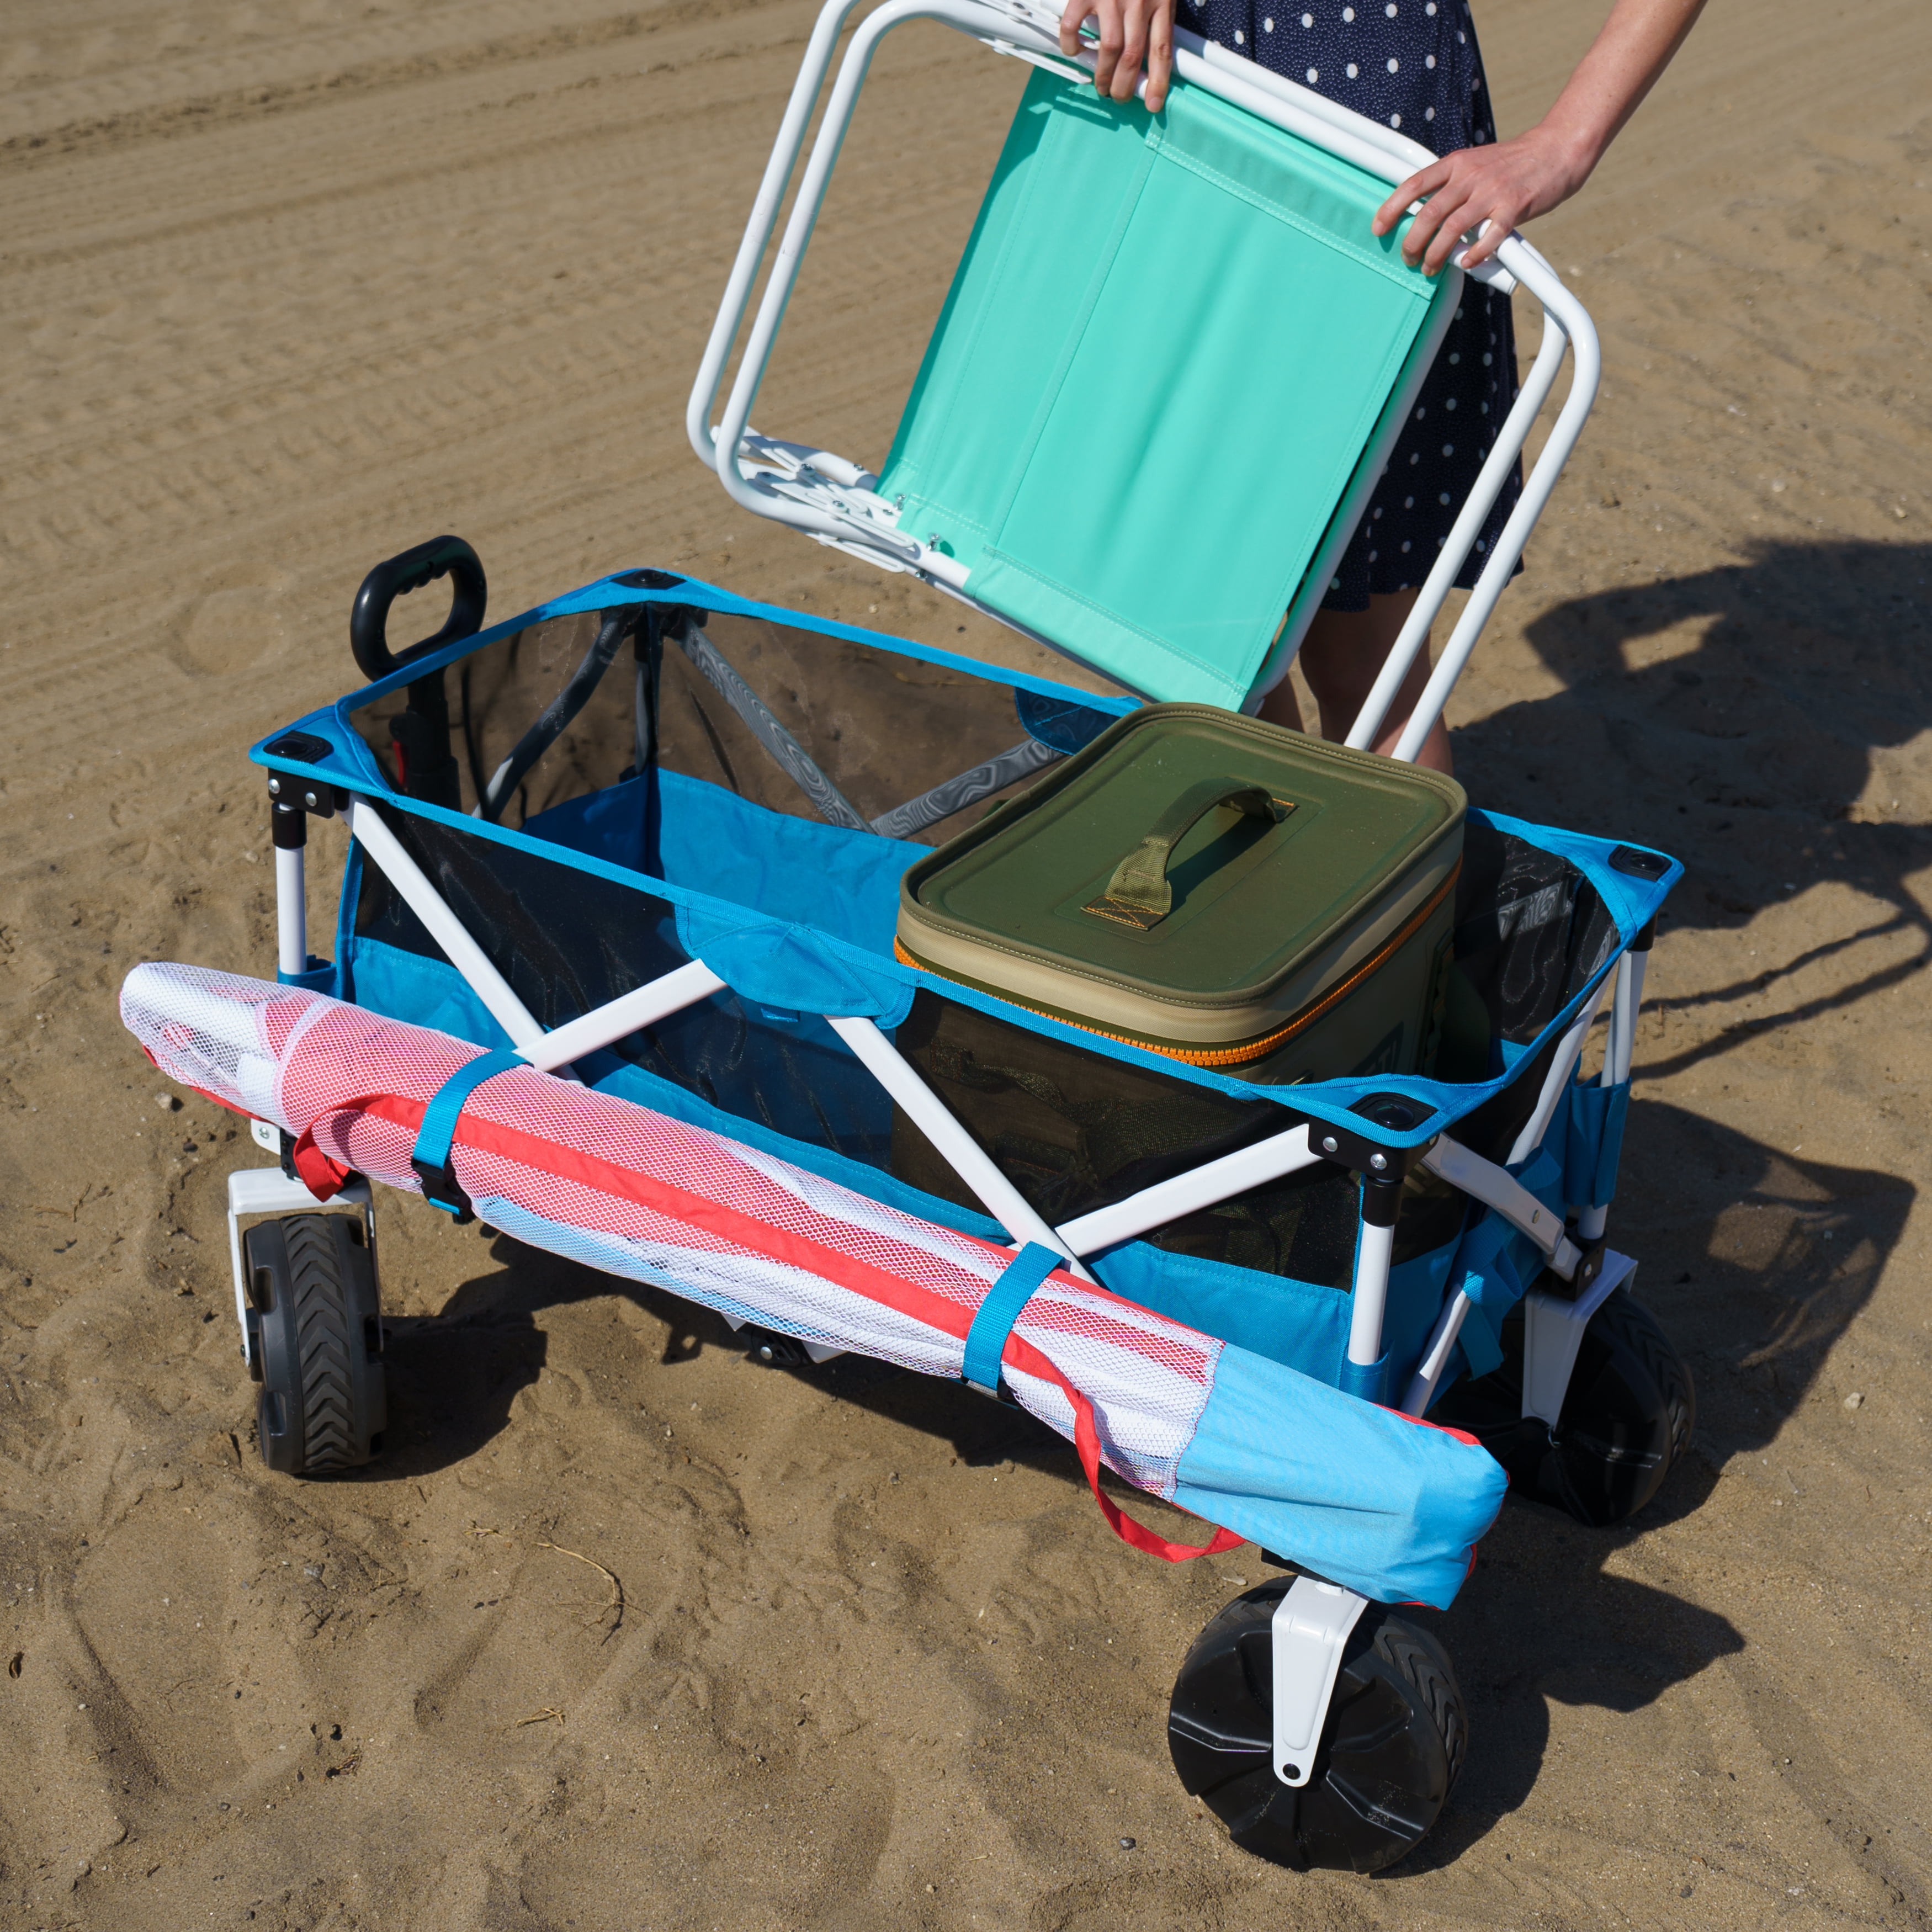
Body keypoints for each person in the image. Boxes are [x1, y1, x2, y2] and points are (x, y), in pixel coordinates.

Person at [1058, 0, 1708, 772]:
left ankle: (1372, 887)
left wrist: (1567, 142)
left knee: (1359, 658)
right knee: (1161, 607)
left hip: (1351, 77)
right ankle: (1284, 877)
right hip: (1154, 63)